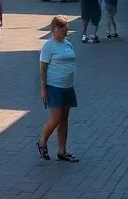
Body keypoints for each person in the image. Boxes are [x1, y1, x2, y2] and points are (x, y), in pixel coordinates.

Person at [38, 15, 79, 162]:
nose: (65, 31)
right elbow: (42, 69)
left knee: (64, 119)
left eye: (66, 28)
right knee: (55, 119)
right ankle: (42, 141)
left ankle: (62, 151)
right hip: (54, 86)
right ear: (55, 29)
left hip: (68, 86)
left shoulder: (68, 44)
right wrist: (43, 90)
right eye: (63, 28)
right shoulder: (49, 46)